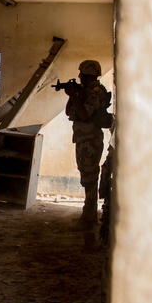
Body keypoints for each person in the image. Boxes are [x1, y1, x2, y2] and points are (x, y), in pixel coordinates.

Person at [63, 59, 111, 227]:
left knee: (90, 178)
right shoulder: (86, 91)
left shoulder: (96, 92)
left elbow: (84, 115)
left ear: (87, 74)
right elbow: (70, 112)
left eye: (81, 74)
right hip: (83, 139)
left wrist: (75, 96)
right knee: (86, 176)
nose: (79, 77)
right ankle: (87, 215)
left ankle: (90, 218)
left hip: (91, 140)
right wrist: (73, 95)